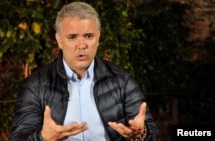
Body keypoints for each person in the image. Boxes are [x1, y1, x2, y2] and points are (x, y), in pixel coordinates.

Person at [10, 1, 159, 141]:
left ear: (98, 38)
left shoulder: (122, 80)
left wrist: (141, 134)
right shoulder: (35, 85)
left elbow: (151, 134)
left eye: (88, 36)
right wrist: (43, 137)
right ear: (59, 40)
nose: (82, 45)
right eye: (72, 37)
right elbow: (18, 138)